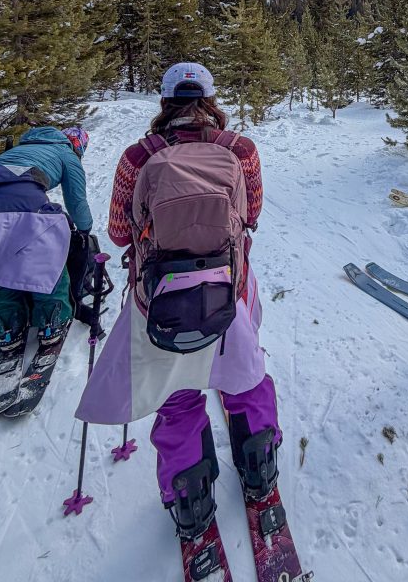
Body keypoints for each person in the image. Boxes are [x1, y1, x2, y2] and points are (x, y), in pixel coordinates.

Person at [75, 62, 281, 542]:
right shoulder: (240, 150)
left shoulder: (137, 157)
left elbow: (121, 233)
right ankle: (260, 468)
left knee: (178, 397)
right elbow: (251, 214)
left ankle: (190, 503)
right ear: (210, 99)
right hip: (230, 288)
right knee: (244, 380)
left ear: (165, 102)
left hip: (160, 301)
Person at [0, 125, 92, 351]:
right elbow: (76, 201)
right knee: (44, 259)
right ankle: (52, 320)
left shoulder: (16, 151)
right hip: (25, 198)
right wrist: (84, 230)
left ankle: (7, 327)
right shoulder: (66, 153)